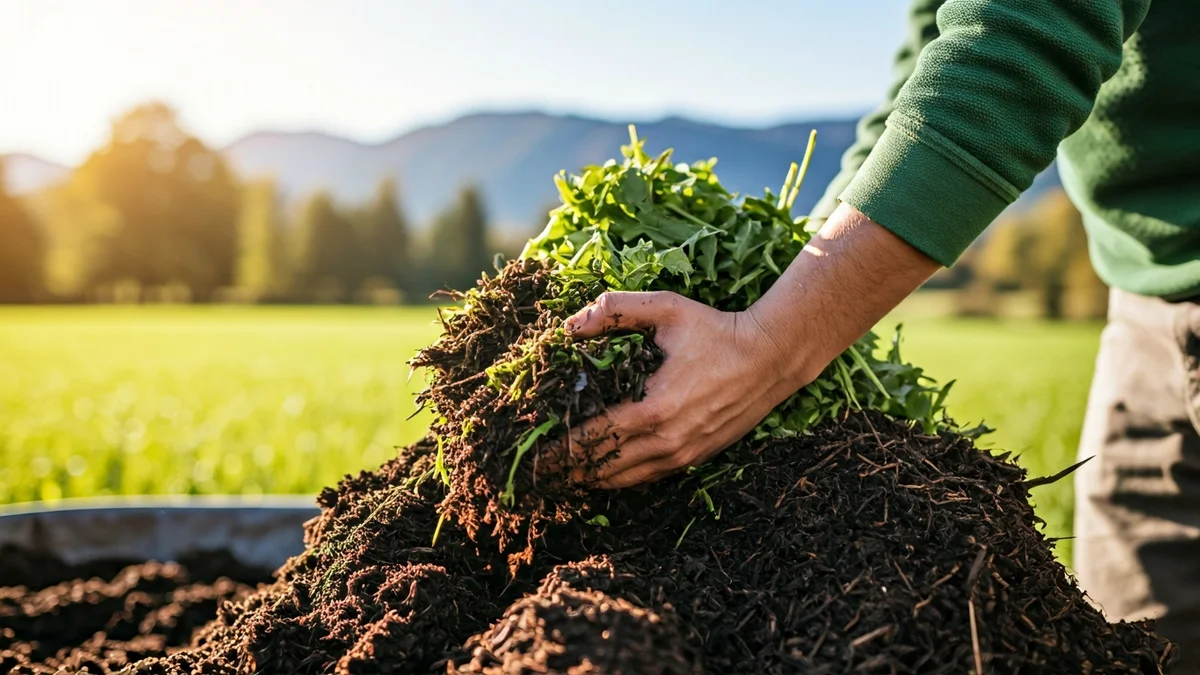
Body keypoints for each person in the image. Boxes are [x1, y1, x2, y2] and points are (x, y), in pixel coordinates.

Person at [561, 0, 1199, 667]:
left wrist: (769, 343)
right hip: (1146, 294)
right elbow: (934, 57)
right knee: (1147, 642)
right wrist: (787, 275)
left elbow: (1024, 30)